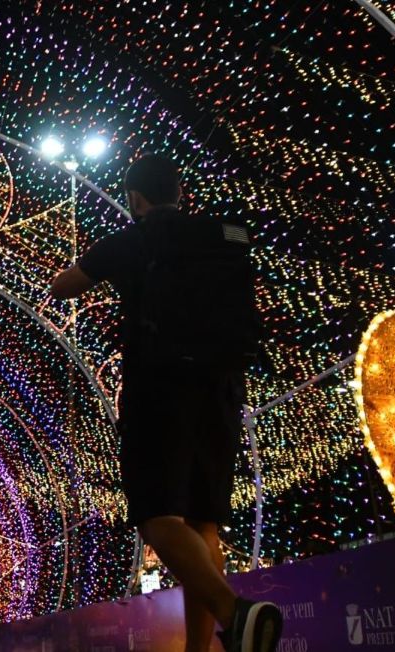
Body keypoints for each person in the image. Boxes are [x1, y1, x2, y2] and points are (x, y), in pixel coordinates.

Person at [50, 154, 282, 652]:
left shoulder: (131, 240)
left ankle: (234, 613)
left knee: (157, 515)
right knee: (203, 522)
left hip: (159, 389)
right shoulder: (214, 236)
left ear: (135, 199)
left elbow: (63, 286)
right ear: (180, 191)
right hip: (222, 389)